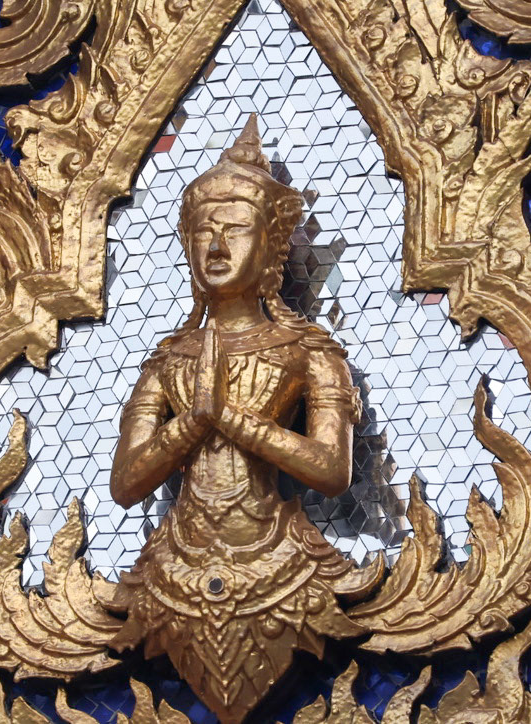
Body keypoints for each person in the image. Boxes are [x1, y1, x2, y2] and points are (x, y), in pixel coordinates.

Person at [105, 115, 381, 724]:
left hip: (280, 560)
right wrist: (189, 424)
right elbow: (125, 484)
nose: (216, 246)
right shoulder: (169, 360)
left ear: (272, 247)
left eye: (234, 229)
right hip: (176, 566)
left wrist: (228, 417)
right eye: (203, 231)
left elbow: (332, 471)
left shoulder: (309, 352)